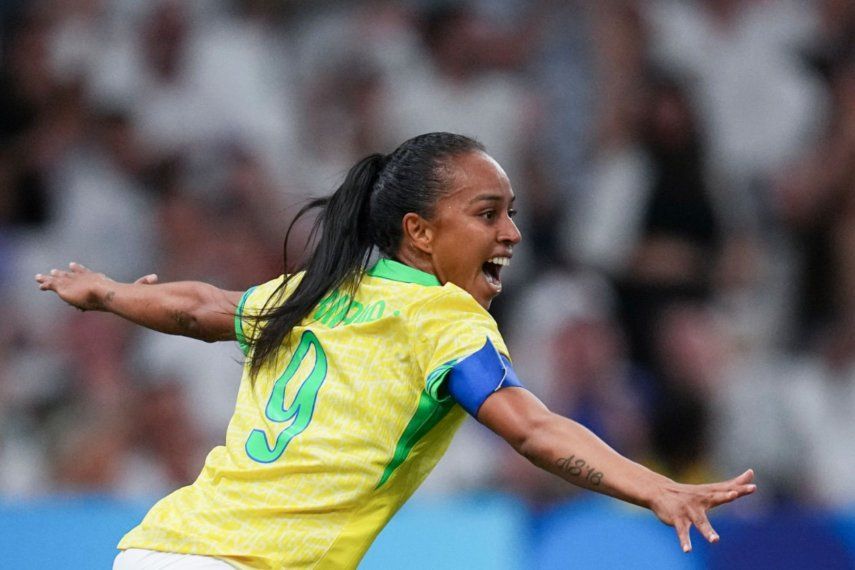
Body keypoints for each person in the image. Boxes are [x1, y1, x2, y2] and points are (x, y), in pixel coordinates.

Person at [35, 132, 755, 569]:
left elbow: (201, 307)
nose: (510, 233)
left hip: (160, 550)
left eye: (511, 213)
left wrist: (109, 294)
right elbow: (531, 428)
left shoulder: (320, 290)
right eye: (487, 214)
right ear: (419, 232)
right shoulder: (443, 317)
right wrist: (653, 487)